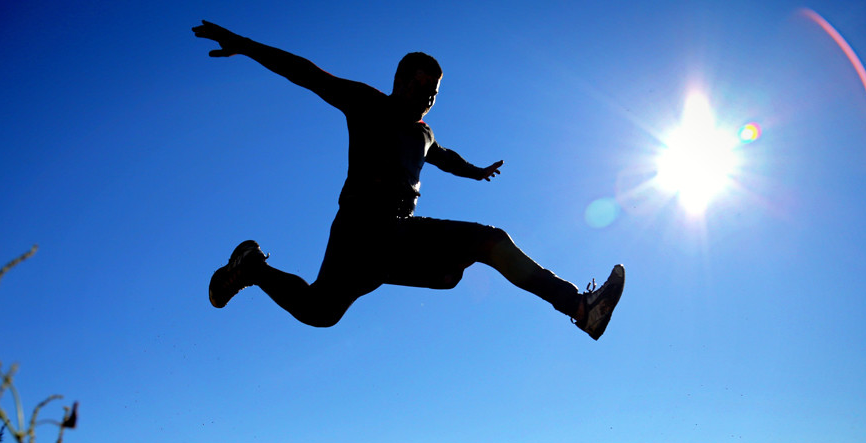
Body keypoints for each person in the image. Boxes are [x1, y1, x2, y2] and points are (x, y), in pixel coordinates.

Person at [194, 21, 624, 339]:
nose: (427, 99)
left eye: (434, 94)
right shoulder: (366, 103)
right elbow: (306, 73)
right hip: (362, 226)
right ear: (399, 81)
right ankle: (579, 306)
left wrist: (474, 170)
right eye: (421, 89)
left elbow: (441, 156)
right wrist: (246, 46)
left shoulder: (424, 133)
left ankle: (252, 267)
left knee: (322, 311)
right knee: (489, 243)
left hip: (385, 242)